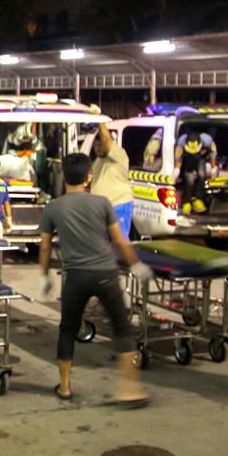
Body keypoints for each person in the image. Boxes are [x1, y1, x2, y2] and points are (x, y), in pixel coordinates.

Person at [38, 153, 153, 405]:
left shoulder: (53, 208)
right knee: (122, 328)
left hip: (75, 277)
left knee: (67, 330)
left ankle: (65, 386)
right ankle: (130, 389)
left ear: (64, 177)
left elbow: (45, 248)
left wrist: (45, 276)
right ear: (89, 176)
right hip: (105, 273)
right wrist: (136, 264)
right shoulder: (102, 203)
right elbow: (119, 241)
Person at [91, 120, 134, 239]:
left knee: (120, 242)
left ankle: (123, 258)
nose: (98, 148)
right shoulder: (97, 162)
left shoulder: (119, 155)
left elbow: (106, 139)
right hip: (101, 210)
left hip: (118, 206)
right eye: (96, 145)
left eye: (101, 145)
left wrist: (98, 119)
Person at [174, 130, 217, 214]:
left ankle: (198, 200)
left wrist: (213, 167)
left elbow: (213, 153)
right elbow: (178, 157)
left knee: (201, 175)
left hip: (201, 158)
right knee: (189, 179)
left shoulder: (207, 140)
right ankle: (186, 202)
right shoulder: (181, 141)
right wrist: (177, 169)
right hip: (187, 159)